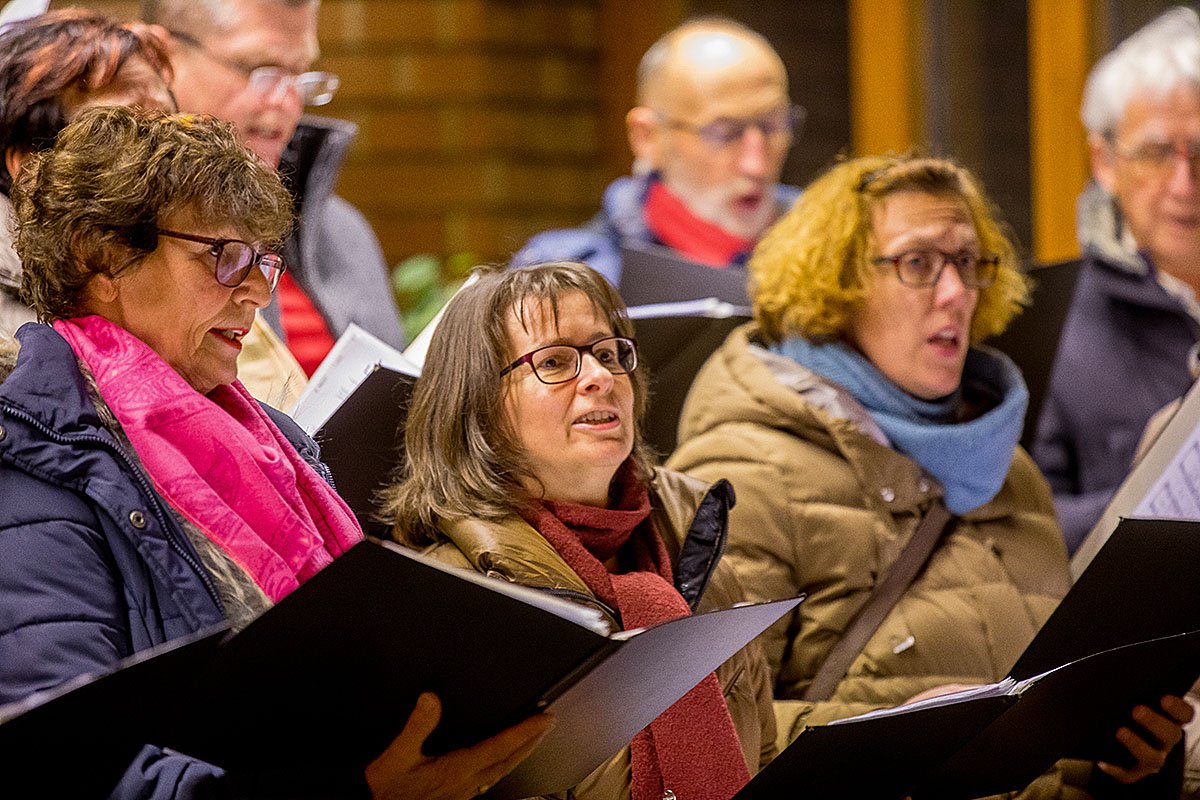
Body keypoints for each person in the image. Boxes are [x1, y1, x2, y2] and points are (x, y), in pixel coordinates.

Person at [0, 106, 550, 800]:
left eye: (263, 259)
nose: (260, 292)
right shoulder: (30, 466)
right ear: (101, 258)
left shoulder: (275, 441)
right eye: (223, 256)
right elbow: (65, 769)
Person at [667, 154, 1192, 797]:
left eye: (967, 262)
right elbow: (701, 739)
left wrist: (1125, 761)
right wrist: (899, 739)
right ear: (834, 284)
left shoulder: (1009, 467)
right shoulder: (745, 473)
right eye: (917, 263)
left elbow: (1045, 728)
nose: (956, 293)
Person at [384, 261, 776, 800]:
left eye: (609, 354)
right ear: (477, 404)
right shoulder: (451, 600)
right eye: (554, 361)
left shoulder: (696, 552)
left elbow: (764, 759)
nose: (600, 377)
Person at [0, 7, 307, 409]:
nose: (164, 152)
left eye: (169, 122)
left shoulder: (197, 260)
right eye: (123, 126)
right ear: (31, 167)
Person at [143, 0, 406, 374]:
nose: (286, 102)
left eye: (299, 75)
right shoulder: (113, 239)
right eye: (257, 70)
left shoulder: (344, 232)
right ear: (160, 59)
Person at [1033, 6, 1200, 554]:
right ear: (1104, 161)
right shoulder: (1052, 320)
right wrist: (1145, 489)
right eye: (1155, 153)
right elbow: (1018, 533)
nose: (1184, 184)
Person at [512, 17, 802, 285]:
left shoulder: (824, 253)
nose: (755, 165)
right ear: (647, 137)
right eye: (724, 133)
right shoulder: (569, 279)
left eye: (773, 125)